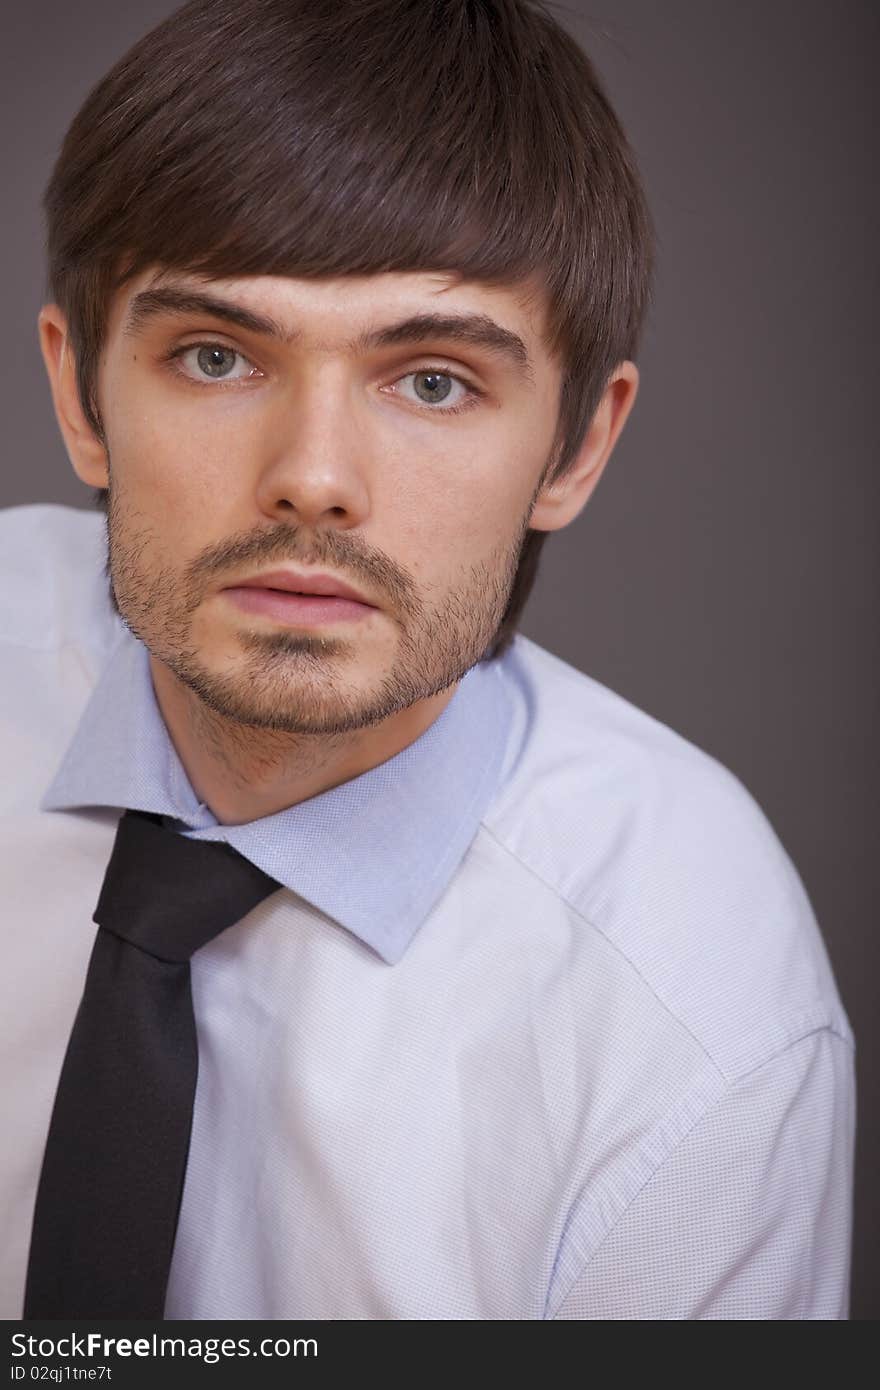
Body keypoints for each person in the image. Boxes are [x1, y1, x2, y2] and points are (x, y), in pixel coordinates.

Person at [0, 0, 855, 1321]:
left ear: (575, 446)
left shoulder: (699, 1017)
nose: (313, 480)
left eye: (435, 380)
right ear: (80, 396)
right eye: (216, 356)